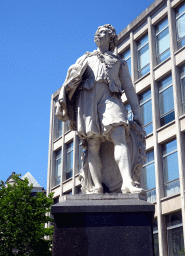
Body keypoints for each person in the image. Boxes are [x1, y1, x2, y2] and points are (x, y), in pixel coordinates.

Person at [57, 24, 144, 194]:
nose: (98, 34)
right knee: (92, 144)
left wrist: (137, 113)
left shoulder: (119, 61)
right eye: (97, 32)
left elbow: (129, 89)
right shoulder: (85, 59)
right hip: (88, 100)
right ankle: (96, 186)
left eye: (103, 32)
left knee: (119, 135)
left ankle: (127, 182)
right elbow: (69, 81)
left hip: (110, 98)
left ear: (111, 38)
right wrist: (69, 86)